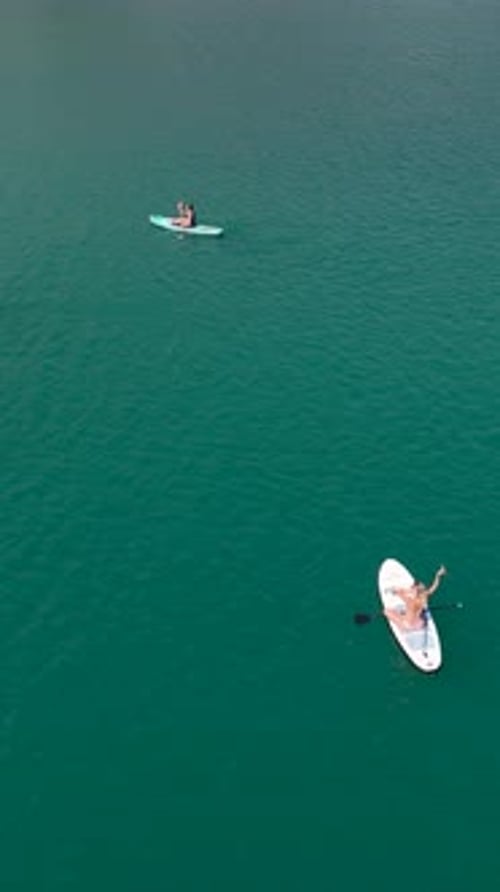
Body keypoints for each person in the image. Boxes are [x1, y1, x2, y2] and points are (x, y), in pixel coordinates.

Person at [384, 565, 447, 631]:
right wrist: (438, 575)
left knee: (386, 611)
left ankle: (402, 628)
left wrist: (395, 590)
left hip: (407, 625)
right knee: (412, 613)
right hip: (419, 624)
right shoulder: (424, 596)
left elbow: (398, 592)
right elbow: (434, 587)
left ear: (415, 590)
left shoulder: (409, 600)